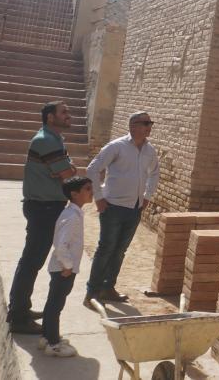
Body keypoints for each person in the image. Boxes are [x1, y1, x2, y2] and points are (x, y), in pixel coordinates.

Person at [8, 101, 76, 335]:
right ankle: (18, 317)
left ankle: (21, 309)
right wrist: (68, 170)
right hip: (43, 209)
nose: (68, 115)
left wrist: (67, 170)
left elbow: (65, 172)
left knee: (32, 262)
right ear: (50, 117)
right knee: (31, 262)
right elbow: (67, 174)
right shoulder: (46, 140)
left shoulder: (55, 139)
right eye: (63, 112)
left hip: (47, 208)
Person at [84, 111, 160, 305]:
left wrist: (147, 196)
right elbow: (93, 169)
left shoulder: (149, 151)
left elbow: (154, 173)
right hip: (113, 207)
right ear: (133, 126)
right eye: (145, 123)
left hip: (134, 209)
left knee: (119, 251)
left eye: (150, 123)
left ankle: (108, 288)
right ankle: (92, 292)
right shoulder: (116, 147)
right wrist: (98, 197)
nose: (149, 127)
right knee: (106, 249)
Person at [39, 176, 92, 358]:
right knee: (56, 306)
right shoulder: (72, 217)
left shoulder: (74, 213)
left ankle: (47, 337)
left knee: (53, 303)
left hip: (61, 267)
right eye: (87, 189)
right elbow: (61, 245)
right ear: (74, 194)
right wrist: (68, 266)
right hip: (63, 269)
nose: (91, 192)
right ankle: (53, 345)